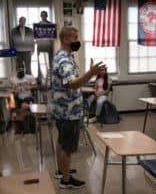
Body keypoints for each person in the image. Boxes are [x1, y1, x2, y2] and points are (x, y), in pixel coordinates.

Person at [52, 26, 106, 189]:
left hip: (61, 110)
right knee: (67, 147)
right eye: (75, 37)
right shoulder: (65, 60)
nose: (78, 41)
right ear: (66, 39)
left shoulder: (62, 56)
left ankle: (62, 171)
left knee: (62, 142)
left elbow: (71, 82)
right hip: (68, 112)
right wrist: (91, 73)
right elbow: (72, 84)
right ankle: (66, 181)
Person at [10, 63, 37, 133]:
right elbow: (13, 93)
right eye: (19, 69)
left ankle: (20, 125)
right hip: (18, 98)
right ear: (16, 70)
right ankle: (20, 126)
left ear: (24, 69)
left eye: (22, 69)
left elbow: (36, 86)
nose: (21, 70)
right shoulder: (12, 79)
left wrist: (30, 87)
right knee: (12, 107)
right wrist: (15, 92)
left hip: (28, 97)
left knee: (23, 106)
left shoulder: (29, 77)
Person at [37, 11, 54, 79]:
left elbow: (53, 36)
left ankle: (50, 78)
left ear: (46, 16)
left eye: (44, 15)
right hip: (40, 46)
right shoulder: (38, 25)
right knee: (40, 62)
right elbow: (36, 36)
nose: (43, 17)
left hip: (48, 45)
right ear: (40, 16)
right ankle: (41, 78)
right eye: (42, 15)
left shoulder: (51, 24)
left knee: (50, 62)